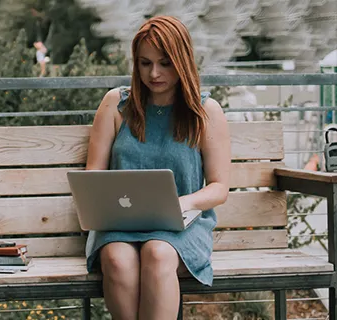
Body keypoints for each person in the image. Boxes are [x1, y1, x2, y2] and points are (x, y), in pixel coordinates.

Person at [83, 16, 231, 319]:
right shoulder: (116, 104)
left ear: (182, 61)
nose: (154, 73)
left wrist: (181, 203)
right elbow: (92, 177)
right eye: (144, 63)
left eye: (165, 63)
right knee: (117, 259)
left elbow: (219, 188)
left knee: (158, 251)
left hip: (180, 227)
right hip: (118, 226)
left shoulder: (205, 112)